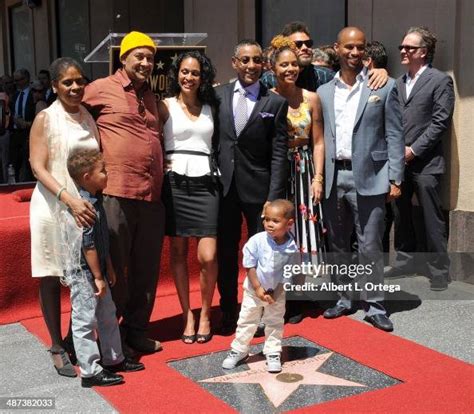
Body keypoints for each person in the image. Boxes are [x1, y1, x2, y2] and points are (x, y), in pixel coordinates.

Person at [82, 31, 165, 354]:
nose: (146, 63)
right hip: (116, 193)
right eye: (139, 56)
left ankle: (136, 332)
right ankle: (109, 337)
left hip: (151, 197)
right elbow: (71, 113)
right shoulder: (101, 89)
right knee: (115, 269)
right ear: (123, 58)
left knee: (145, 271)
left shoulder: (150, 96)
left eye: (150, 57)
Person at [317, 27, 404, 332]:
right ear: (336, 49)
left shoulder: (385, 86)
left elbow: (394, 133)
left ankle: (376, 304)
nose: (354, 53)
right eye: (349, 47)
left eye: (360, 48)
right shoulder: (324, 92)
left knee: (370, 244)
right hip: (332, 175)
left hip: (371, 175)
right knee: (338, 243)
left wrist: (396, 177)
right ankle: (343, 297)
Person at [29, 57, 99, 377]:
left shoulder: (88, 117)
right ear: (55, 85)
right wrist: (68, 198)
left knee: (81, 276)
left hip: (83, 209)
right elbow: (37, 166)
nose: (74, 87)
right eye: (67, 82)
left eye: (79, 81)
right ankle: (57, 345)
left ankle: (74, 338)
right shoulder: (45, 118)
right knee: (50, 275)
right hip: (53, 205)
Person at [216, 40, 289, 335]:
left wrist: (273, 198)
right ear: (234, 62)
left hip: (259, 191)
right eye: (244, 60)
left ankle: (262, 309)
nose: (250, 66)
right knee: (226, 252)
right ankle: (229, 310)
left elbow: (279, 153)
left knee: (264, 255)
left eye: (256, 60)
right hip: (223, 189)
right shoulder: (217, 96)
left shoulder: (275, 103)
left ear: (264, 64)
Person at [64, 148, 144, 387]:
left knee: (107, 315)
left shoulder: (96, 201)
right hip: (84, 274)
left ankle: (112, 358)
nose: (107, 174)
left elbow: (101, 241)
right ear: (87, 177)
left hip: (97, 271)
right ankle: (90, 370)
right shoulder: (84, 207)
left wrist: (107, 265)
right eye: (103, 171)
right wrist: (98, 276)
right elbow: (88, 245)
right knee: (85, 320)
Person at [158, 51, 219, 344]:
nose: (189, 77)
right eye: (184, 71)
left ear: (202, 77)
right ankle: (188, 315)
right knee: (179, 254)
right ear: (176, 74)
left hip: (207, 183)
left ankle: (206, 312)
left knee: (207, 256)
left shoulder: (212, 106)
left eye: (194, 73)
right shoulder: (165, 106)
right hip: (174, 183)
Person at [390, 27, 454, 291]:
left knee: (431, 217)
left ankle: (439, 270)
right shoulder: (398, 82)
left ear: (424, 52)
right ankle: (406, 260)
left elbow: (440, 122)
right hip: (398, 160)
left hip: (426, 161)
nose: (403, 51)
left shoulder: (440, 81)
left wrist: (414, 150)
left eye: (409, 48)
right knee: (401, 212)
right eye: (402, 47)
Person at [269, 35, 325, 323]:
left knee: (301, 233)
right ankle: (278, 295)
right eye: (284, 64)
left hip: (304, 172)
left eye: (294, 64)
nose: (290, 69)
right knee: (280, 232)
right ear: (273, 67)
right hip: (277, 170)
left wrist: (318, 177)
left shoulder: (311, 98)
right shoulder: (267, 97)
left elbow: (318, 141)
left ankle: (298, 298)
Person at [222, 199, 298, 373]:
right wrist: (257, 288)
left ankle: (272, 351)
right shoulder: (257, 241)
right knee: (247, 319)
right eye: (267, 219)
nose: (269, 224)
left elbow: (288, 272)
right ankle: (240, 349)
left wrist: (276, 293)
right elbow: (249, 265)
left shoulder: (292, 248)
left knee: (275, 321)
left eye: (275, 221)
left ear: (289, 223)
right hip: (253, 290)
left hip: (276, 293)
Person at [261, 21, 389, 92]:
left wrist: (378, 72)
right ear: (286, 47)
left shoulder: (325, 76)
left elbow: (353, 83)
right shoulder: (269, 80)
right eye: (298, 44)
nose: (305, 48)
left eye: (308, 43)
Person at [11, 68, 35, 181]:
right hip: (16, 133)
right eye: (14, 80)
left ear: (26, 79)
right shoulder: (15, 95)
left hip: (28, 132)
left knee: (28, 162)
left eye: (19, 80)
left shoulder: (33, 94)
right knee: (15, 162)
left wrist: (27, 123)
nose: (16, 83)